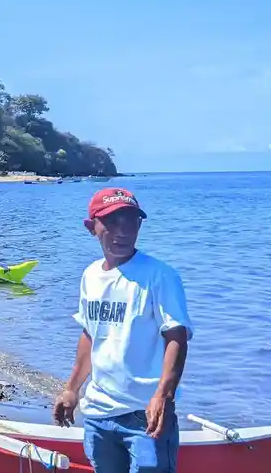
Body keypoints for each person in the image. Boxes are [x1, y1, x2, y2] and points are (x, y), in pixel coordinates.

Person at [53, 188, 192, 473]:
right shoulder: (90, 275)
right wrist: (71, 390)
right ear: (92, 227)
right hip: (98, 414)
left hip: (146, 416)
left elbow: (176, 338)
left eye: (131, 222)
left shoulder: (160, 276)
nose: (123, 231)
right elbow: (90, 335)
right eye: (113, 221)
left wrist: (163, 396)